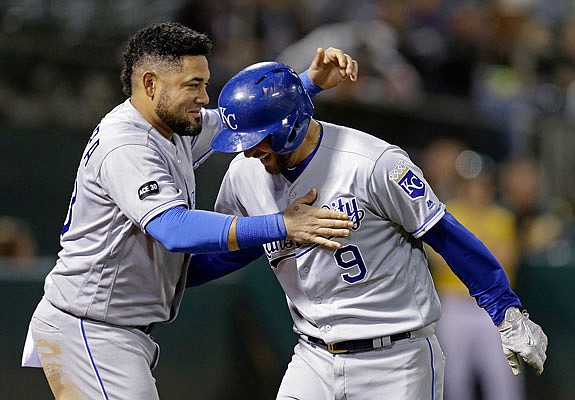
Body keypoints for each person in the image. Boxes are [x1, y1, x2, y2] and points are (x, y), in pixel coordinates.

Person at [21, 22, 358, 400]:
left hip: (112, 328)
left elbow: (242, 123)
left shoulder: (175, 124)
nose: (203, 96)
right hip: (91, 328)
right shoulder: (126, 144)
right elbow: (174, 228)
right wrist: (282, 224)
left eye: (204, 83)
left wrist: (308, 82)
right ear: (150, 84)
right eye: (192, 84)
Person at [200, 61, 548, 399]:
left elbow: (445, 235)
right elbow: (234, 249)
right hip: (312, 357)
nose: (247, 150)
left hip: (396, 358)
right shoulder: (243, 176)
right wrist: (163, 281)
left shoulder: (373, 162)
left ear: (290, 125)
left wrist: (505, 310)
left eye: (256, 138)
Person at [426, 157, 525, 400]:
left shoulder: (501, 216)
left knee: (503, 374)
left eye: (481, 183)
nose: (476, 189)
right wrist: (481, 253)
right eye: (470, 183)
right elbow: (438, 259)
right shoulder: (448, 213)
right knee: (455, 376)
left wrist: (465, 254)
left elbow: (507, 258)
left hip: (494, 306)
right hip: (454, 304)